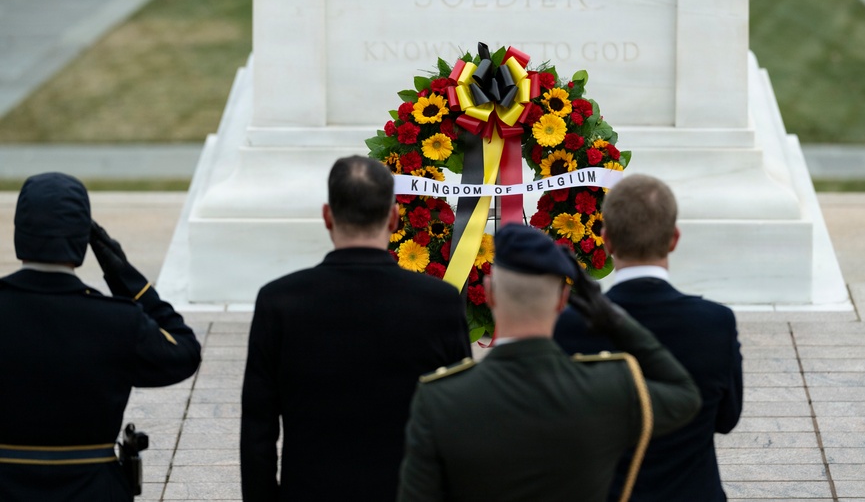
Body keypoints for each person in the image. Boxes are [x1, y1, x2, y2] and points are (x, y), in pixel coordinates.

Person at [397, 223, 702, 502]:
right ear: (562, 299)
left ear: (489, 294)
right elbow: (685, 395)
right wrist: (614, 320)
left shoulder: (440, 399)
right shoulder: (609, 388)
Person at [240, 156, 471, 502]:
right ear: (394, 218)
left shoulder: (279, 302)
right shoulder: (439, 302)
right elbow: (460, 425)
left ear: (327, 216)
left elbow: (258, 431)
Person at [0, 172, 202, 501]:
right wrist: (125, 276)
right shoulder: (118, 320)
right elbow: (184, 352)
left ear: (20, 234)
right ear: (84, 241)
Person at [555, 174, 743, 502]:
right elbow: (726, 419)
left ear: (606, 240)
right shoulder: (716, 323)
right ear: (673, 239)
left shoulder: (568, 326)